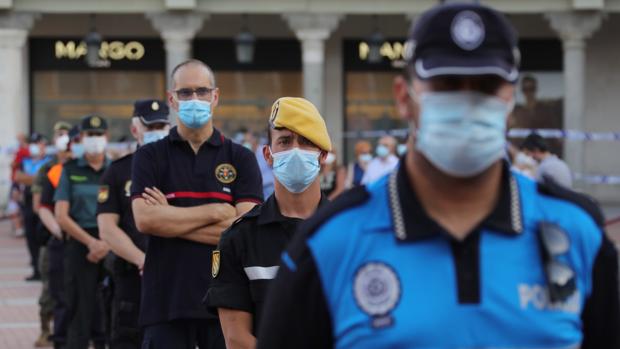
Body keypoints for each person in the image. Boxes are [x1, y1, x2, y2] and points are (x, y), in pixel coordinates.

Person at [257, 3, 619, 349]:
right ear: (404, 97)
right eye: (446, 85)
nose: (467, 102)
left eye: (486, 87)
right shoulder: (330, 243)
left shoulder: (577, 234)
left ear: (511, 101)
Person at [131, 59, 263, 349]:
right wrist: (218, 211)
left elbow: (245, 232)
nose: (194, 100)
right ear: (172, 99)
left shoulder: (240, 157)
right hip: (165, 303)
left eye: (202, 92)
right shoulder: (149, 156)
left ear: (215, 97)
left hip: (227, 305)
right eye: (186, 93)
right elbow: (145, 221)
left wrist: (169, 217)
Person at [205, 97, 331, 349]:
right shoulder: (239, 238)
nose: (295, 150)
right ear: (268, 154)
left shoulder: (349, 231)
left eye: (306, 141)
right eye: (284, 141)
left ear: (323, 155)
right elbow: (236, 339)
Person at [97, 99, 171, 349]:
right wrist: (142, 260)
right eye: (150, 127)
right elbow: (107, 227)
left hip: (175, 275)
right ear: (135, 130)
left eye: (162, 125)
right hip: (132, 277)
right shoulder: (118, 171)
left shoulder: (181, 168)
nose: (157, 131)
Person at [55, 115, 111, 349]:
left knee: (111, 309)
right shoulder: (69, 170)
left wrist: (106, 243)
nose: (95, 140)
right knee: (79, 308)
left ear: (106, 137)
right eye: (90, 135)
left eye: (99, 135)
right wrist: (91, 242)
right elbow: (61, 215)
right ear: (81, 138)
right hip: (80, 243)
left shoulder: (115, 170)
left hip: (112, 242)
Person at [39, 125, 81, 349]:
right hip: (63, 243)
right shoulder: (56, 172)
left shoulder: (106, 170)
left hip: (94, 245)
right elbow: (44, 207)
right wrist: (59, 230)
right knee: (62, 300)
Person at [31, 121, 72, 347]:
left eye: (67, 133)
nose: (64, 138)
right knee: (50, 289)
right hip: (52, 237)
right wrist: (59, 227)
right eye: (59, 134)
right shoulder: (48, 170)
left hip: (78, 238)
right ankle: (46, 330)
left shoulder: (80, 165)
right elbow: (39, 206)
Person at [15, 132, 52, 281]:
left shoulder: (50, 162)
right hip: (28, 201)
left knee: (43, 236)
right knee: (31, 237)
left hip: (45, 201)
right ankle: (36, 270)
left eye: (39, 143)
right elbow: (18, 177)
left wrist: (30, 179)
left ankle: (45, 269)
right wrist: (37, 178)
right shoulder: (25, 161)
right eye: (33, 144)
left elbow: (46, 180)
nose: (36, 146)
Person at [242, 130, 275, 199]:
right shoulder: (247, 154)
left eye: (248, 140)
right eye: (245, 141)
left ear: (254, 140)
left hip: (268, 187)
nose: (246, 143)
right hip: (256, 188)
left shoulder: (265, 151)